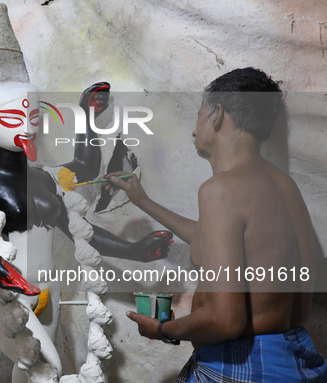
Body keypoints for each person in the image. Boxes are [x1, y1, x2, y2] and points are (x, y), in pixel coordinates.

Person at [0, 5, 173, 380]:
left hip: (47, 291)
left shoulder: (46, 179)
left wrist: (136, 251)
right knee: (47, 369)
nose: (26, 126)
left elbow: (85, 178)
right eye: (11, 118)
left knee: (13, 369)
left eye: (34, 116)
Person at [108, 67, 327, 382]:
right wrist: (143, 201)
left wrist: (161, 329)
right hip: (291, 359)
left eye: (199, 116)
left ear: (217, 114)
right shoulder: (282, 186)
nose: (194, 131)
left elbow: (225, 321)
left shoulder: (221, 190)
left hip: (242, 366)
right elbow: (221, 241)